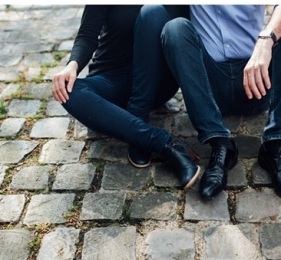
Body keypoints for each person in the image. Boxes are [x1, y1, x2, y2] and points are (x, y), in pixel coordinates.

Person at [158, 5, 281, 203]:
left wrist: (266, 41)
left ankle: (276, 146)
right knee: (175, 28)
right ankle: (220, 145)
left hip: (256, 83)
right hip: (210, 88)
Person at [51, 5, 201, 190]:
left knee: (152, 12)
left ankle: (137, 118)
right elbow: (87, 35)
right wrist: (72, 66)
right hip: (112, 78)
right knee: (68, 89)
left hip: (158, 82)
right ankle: (165, 144)